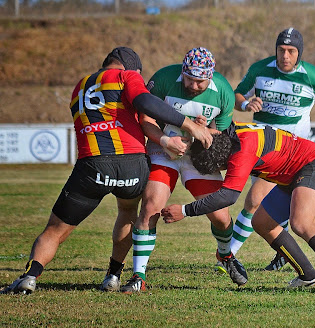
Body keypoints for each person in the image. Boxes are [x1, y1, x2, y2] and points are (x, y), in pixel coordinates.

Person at [0, 46, 212, 295]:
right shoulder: (127, 77)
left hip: (91, 166)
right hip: (131, 163)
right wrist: (188, 125)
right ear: (132, 69)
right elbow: (144, 102)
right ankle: (113, 275)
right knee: (127, 212)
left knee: (55, 229)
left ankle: (30, 277)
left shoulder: (79, 86)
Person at [162, 122, 315, 293]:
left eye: (219, 169)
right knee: (262, 222)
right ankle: (308, 277)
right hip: (292, 174)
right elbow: (212, 130)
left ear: (221, 163)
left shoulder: (241, 154)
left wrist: (185, 210)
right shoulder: (230, 133)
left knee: (302, 223)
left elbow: (228, 197)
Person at [110, 47, 247, 293]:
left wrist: (204, 132)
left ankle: (226, 256)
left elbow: (221, 136)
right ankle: (138, 275)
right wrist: (165, 140)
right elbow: (146, 120)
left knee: (221, 216)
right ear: (182, 72)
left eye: (200, 81)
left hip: (196, 157)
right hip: (163, 150)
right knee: (151, 206)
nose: (193, 86)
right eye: (189, 79)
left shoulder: (224, 91)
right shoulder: (163, 79)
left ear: (211, 77)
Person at [229, 27, 315, 271]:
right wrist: (245, 103)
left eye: (291, 51)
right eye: (281, 50)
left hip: (289, 153)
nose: (285, 55)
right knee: (264, 208)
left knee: (254, 201)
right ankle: (283, 254)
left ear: (299, 53)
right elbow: (236, 95)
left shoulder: (313, 76)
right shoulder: (260, 70)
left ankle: (227, 256)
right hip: (257, 146)